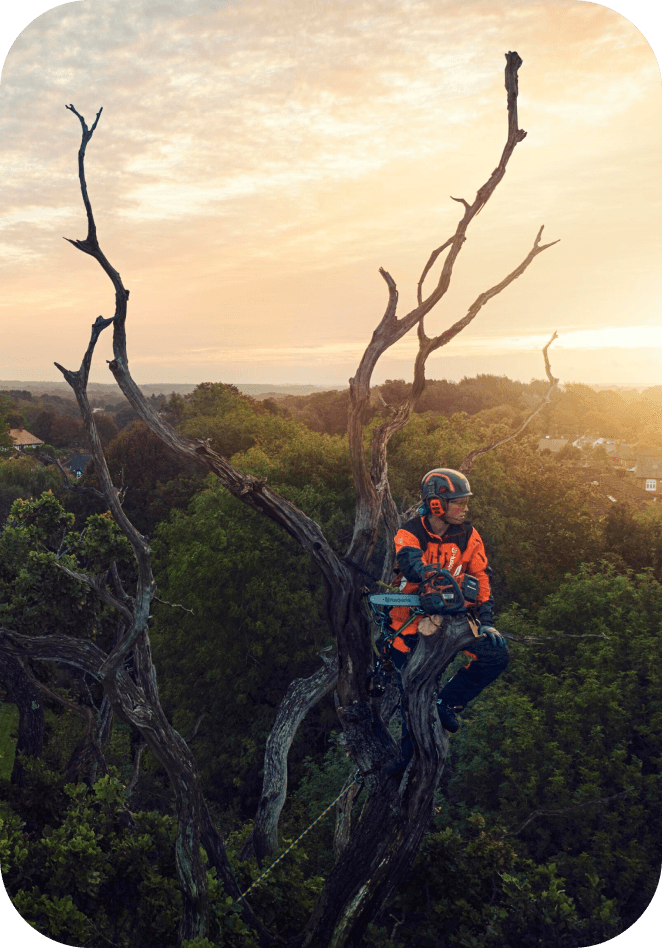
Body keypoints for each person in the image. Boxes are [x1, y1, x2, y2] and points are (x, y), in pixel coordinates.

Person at [389, 468, 509, 747]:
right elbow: (410, 564)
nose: (466, 509)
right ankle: (408, 756)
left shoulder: (468, 534)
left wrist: (487, 621)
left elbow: (481, 576)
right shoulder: (410, 532)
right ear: (436, 504)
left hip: (454, 620)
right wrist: (431, 578)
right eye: (460, 503)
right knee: (414, 696)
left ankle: (448, 702)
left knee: (496, 655)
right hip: (409, 625)